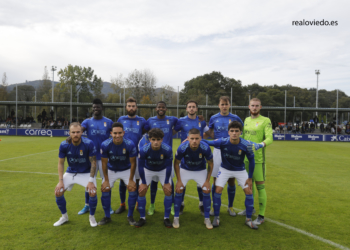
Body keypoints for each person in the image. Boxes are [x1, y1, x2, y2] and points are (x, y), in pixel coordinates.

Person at [202, 121, 258, 229]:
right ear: (228, 132)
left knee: (249, 191)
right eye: (232, 131)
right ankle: (217, 217)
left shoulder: (246, 145)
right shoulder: (222, 141)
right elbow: (207, 142)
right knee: (218, 190)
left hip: (240, 170)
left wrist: (250, 178)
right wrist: (196, 139)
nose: (234, 133)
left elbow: (252, 162)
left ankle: (248, 220)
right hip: (225, 169)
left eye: (237, 131)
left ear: (240, 132)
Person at [204, 96, 244, 217]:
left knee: (231, 180)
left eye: (226, 104)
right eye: (222, 104)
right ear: (219, 105)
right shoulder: (213, 118)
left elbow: (241, 131)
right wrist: (200, 139)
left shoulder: (235, 118)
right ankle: (213, 206)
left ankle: (230, 207)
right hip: (217, 151)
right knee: (215, 180)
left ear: (229, 105)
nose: (224, 106)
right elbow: (209, 132)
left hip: (231, 151)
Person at [53, 122, 98, 227]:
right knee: (58, 192)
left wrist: (91, 181)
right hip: (71, 172)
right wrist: (60, 181)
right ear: (69, 133)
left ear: (82, 132)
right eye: (73, 132)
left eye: (78, 132)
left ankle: (92, 216)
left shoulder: (89, 143)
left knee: (92, 192)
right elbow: (61, 163)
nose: (76, 134)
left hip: (86, 172)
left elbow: (93, 163)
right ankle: (64, 217)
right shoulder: (64, 144)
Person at [75, 99, 114, 215]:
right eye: (94, 107)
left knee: (106, 181)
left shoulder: (109, 122)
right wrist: (74, 135)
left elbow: (114, 135)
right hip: (90, 158)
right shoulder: (87, 122)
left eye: (98, 107)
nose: (95, 109)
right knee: (89, 181)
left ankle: (108, 205)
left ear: (102, 108)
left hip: (104, 158)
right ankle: (87, 205)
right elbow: (79, 131)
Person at [238, 98, 273, 226]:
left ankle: (261, 216)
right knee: (248, 185)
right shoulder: (246, 120)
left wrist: (260, 144)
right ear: (249, 107)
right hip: (245, 159)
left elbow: (270, 138)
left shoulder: (265, 121)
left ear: (260, 107)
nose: (254, 108)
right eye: (252, 105)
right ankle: (250, 209)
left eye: (257, 106)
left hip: (258, 160)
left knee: (260, 186)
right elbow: (242, 137)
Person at [98, 122, 138, 225]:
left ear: (123, 133)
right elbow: (104, 164)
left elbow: (133, 163)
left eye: (120, 133)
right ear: (111, 133)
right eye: (115, 133)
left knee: (132, 188)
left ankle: (130, 216)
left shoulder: (130, 144)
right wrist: (106, 180)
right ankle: (107, 217)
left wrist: (130, 180)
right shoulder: (105, 144)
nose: (117, 135)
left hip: (126, 169)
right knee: (105, 188)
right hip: (112, 170)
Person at [173, 129, 213, 229]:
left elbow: (211, 164)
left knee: (207, 190)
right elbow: (176, 163)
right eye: (192, 139)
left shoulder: (205, 148)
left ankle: (207, 218)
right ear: (188, 139)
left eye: (196, 138)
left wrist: (208, 181)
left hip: (200, 170)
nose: (194, 141)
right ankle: (176, 217)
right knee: (179, 189)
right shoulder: (182, 147)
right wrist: (179, 180)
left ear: (200, 138)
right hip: (185, 169)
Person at [173, 100, 208, 215]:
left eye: (194, 107)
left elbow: (206, 133)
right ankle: (181, 203)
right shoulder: (181, 121)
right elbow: (172, 132)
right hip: (185, 156)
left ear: (197, 109)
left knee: (200, 184)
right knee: (182, 184)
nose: (192, 109)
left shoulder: (201, 121)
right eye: (190, 107)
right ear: (186, 109)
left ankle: (202, 204)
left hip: (199, 154)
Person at [144, 101, 178, 216]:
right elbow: (146, 132)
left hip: (166, 155)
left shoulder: (172, 119)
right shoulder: (150, 120)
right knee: (154, 182)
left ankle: (172, 205)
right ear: (156, 108)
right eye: (159, 107)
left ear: (166, 109)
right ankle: (152, 205)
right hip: (153, 154)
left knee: (169, 182)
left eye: (163, 107)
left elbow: (179, 126)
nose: (161, 109)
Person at [135, 128, 173, 228]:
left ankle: (166, 218)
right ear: (150, 139)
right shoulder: (144, 150)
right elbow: (140, 167)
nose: (156, 142)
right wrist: (143, 182)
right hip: (148, 170)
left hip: (162, 170)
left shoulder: (167, 149)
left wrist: (166, 182)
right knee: (141, 191)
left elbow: (169, 166)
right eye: (153, 139)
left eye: (158, 139)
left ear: (162, 139)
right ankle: (142, 218)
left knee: (168, 191)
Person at [115, 97, 147, 214]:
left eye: (133, 106)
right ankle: (122, 204)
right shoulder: (121, 119)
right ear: (126, 107)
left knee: (137, 180)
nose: (131, 108)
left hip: (137, 156)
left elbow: (148, 133)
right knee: (123, 181)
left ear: (136, 107)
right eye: (129, 106)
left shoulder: (142, 120)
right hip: (123, 155)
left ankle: (138, 203)